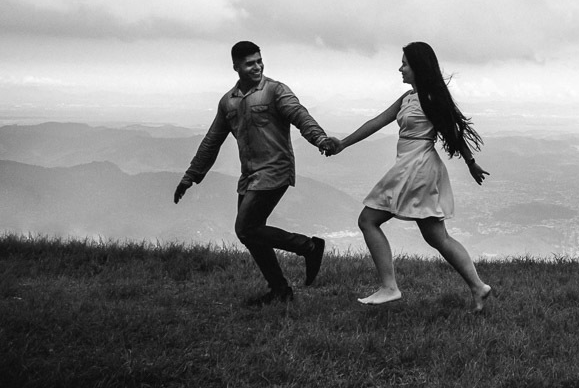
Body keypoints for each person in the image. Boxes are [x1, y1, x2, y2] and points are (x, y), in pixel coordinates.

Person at [325, 41, 492, 310]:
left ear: (418, 67)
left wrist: (471, 163)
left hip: (417, 167)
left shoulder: (431, 97)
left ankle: (389, 287)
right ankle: (479, 287)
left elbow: (454, 132)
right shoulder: (408, 98)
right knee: (438, 238)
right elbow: (376, 122)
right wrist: (343, 144)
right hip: (415, 167)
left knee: (368, 220)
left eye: (405, 63)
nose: (400, 68)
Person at [174, 41, 337, 306]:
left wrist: (320, 139)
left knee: (246, 228)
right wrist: (190, 176)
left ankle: (308, 247)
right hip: (249, 175)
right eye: (250, 63)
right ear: (236, 67)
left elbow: (300, 115)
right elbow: (211, 141)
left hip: (276, 170)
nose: (257, 66)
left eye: (260, 61)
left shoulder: (275, 90)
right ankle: (280, 290)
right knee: (251, 234)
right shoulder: (228, 101)